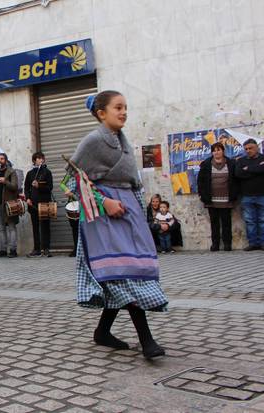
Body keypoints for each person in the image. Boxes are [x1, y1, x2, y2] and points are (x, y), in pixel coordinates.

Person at [69, 90, 166, 360]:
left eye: (125, 107)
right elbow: (72, 181)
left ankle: (102, 331)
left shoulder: (122, 141)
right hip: (104, 217)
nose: (123, 112)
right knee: (123, 272)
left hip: (129, 212)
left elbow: (132, 181)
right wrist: (104, 203)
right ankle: (147, 341)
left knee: (126, 271)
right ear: (101, 113)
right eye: (118, 107)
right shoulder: (92, 142)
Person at [197, 142, 239, 251]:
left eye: (219, 150)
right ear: (212, 152)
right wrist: (202, 195)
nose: (216, 152)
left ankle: (227, 244)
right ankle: (215, 244)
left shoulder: (231, 163)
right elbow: (200, 181)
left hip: (226, 199)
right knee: (214, 223)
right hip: (211, 199)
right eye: (214, 150)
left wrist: (235, 194)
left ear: (223, 151)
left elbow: (236, 180)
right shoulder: (206, 164)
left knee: (226, 222)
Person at [0, 153, 22, 258]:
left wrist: (5, 181)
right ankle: (2, 250)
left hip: (9, 204)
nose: (0, 161)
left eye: (2, 159)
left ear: (6, 160)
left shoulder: (11, 172)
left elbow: (15, 187)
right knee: (1, 228)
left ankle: (13, 250)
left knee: (11, 227)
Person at [234, 138, 264, 251]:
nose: (248, 150)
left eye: (250, 148)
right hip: (247, 195)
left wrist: (248, 169)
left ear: (256, 147)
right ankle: (253, 243)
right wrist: (257, 171)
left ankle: (262, 243)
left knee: (262, 220)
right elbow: (238, 174)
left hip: (262, 194)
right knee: (250, 221)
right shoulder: (241, 161)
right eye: (246, 149)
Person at [25, 152, 53, 257]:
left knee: (45, 226)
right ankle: (36, 249)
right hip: (33, 203)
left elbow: (50, 187)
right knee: (35, 226)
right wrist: (27, 198)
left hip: (44, 202)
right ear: (34, 161)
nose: (40, 160)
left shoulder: (47, 172)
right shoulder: (30, 173)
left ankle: (46, 248)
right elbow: (26, 188)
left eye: (41, 158)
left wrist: (39, 186)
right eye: (38, 158)